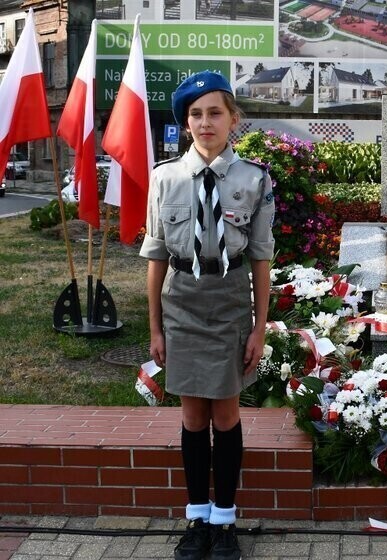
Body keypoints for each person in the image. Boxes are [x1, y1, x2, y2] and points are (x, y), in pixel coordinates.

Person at [140, 70, 275, 560]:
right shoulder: (165, 177)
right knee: (193, 414)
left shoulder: (254, 179)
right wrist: (154, 325)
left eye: (214, 112)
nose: (204, 122)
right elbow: (156, 255)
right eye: (194, 114)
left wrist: (259, 326)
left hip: (230, 297)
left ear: (233, 118)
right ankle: (196, 517)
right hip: (182, 299)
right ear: (184, 123)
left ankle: (225, 521)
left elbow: (261, 257)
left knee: (226, 411)